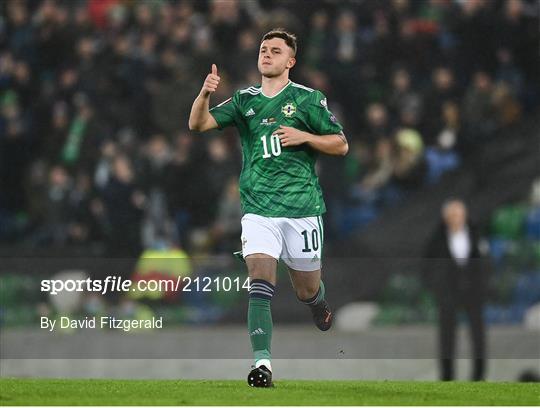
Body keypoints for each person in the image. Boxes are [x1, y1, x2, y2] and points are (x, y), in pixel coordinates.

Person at [189, 28, 348, 387]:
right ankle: (262, 365)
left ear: (290, 62)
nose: (267, 54)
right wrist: (204, 94)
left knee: (306, 289)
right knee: (259, 280)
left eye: (276, 50)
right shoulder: (245, 100)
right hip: (258, 208)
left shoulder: (308, 100)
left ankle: (318, 302)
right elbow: (198, 123)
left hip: (302, 209)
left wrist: (305, 137)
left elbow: (341, 145)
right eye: (263, 49)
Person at [423, 199, 487, 381]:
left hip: (473, 292)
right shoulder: (437, 239)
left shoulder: (475, 235)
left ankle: (478, 375)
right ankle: (447, 375)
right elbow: (428, 266)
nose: (455, 219)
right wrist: (436, 288)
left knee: (477, 335)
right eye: (452, 215)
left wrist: (482, 286)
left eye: (458, 215)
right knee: (447, 337)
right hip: (448, 293)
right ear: (445, 218)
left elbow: (484, 265)